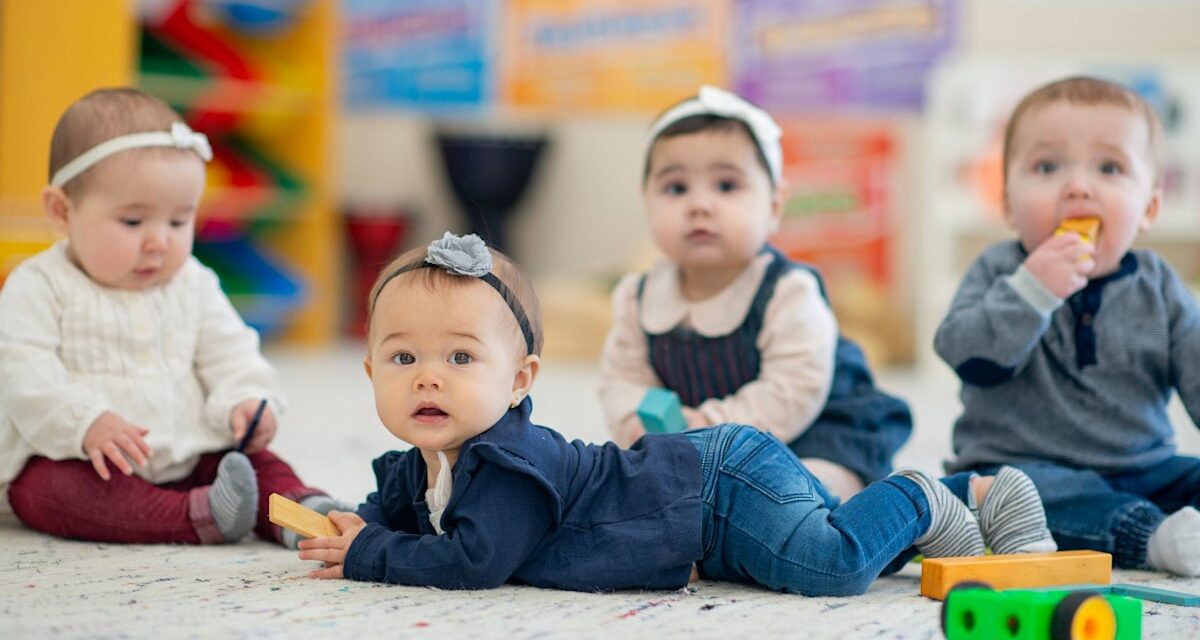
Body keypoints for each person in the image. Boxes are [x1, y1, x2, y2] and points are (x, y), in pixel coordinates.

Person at [294, 232, 1053, 594]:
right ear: (369, 372)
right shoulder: (422, 465)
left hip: (715, 487)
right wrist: (338, 524)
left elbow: (474, 561)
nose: (429, 379)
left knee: (830, 568)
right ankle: (975, 506)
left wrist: (368, 556)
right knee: (824, 543)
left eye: (461, 359)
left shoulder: (504, 463)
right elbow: (388, 512)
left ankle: (924, 494)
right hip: (700, 513)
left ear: (520, 381)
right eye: (402, 360)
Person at [0, 87, 338, 547]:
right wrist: (86, 423)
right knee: (52, 492)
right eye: (134, 222)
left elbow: (231, 353)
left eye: (179, 222)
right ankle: (193, 516)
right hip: (80, 458)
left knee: (257, 463)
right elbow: (24, 375)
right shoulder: (38, 285)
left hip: (189, 448)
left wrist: (246, 400)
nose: (160, 241)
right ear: (62, 211)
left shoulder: (192, 282)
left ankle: (302, 512)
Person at [935, 76, 1200, 576]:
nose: (1078, 185)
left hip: (1144, 469)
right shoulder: (999, 271)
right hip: (1024, 471)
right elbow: (964, 353)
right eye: (1047, 166)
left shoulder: (1159, 286)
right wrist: (1034, 289)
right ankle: (1149, 538)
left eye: (1109, 167)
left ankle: (1159, 523)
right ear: (1009, 205)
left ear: (1149, 208)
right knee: (1024, 498)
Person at [598, 85, 910, 501]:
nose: (700, 205)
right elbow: (623, 379)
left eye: (726, 186)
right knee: (626, 485)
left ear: (775, 205)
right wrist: (635, 420)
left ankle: (881, 507)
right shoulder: (638, 298)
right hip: (697, 446)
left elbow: (791, 392)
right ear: (648, 202)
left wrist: (705, 427)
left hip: (813, 429)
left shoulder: (787, 292)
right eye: (676, 189)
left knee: (812, 489)